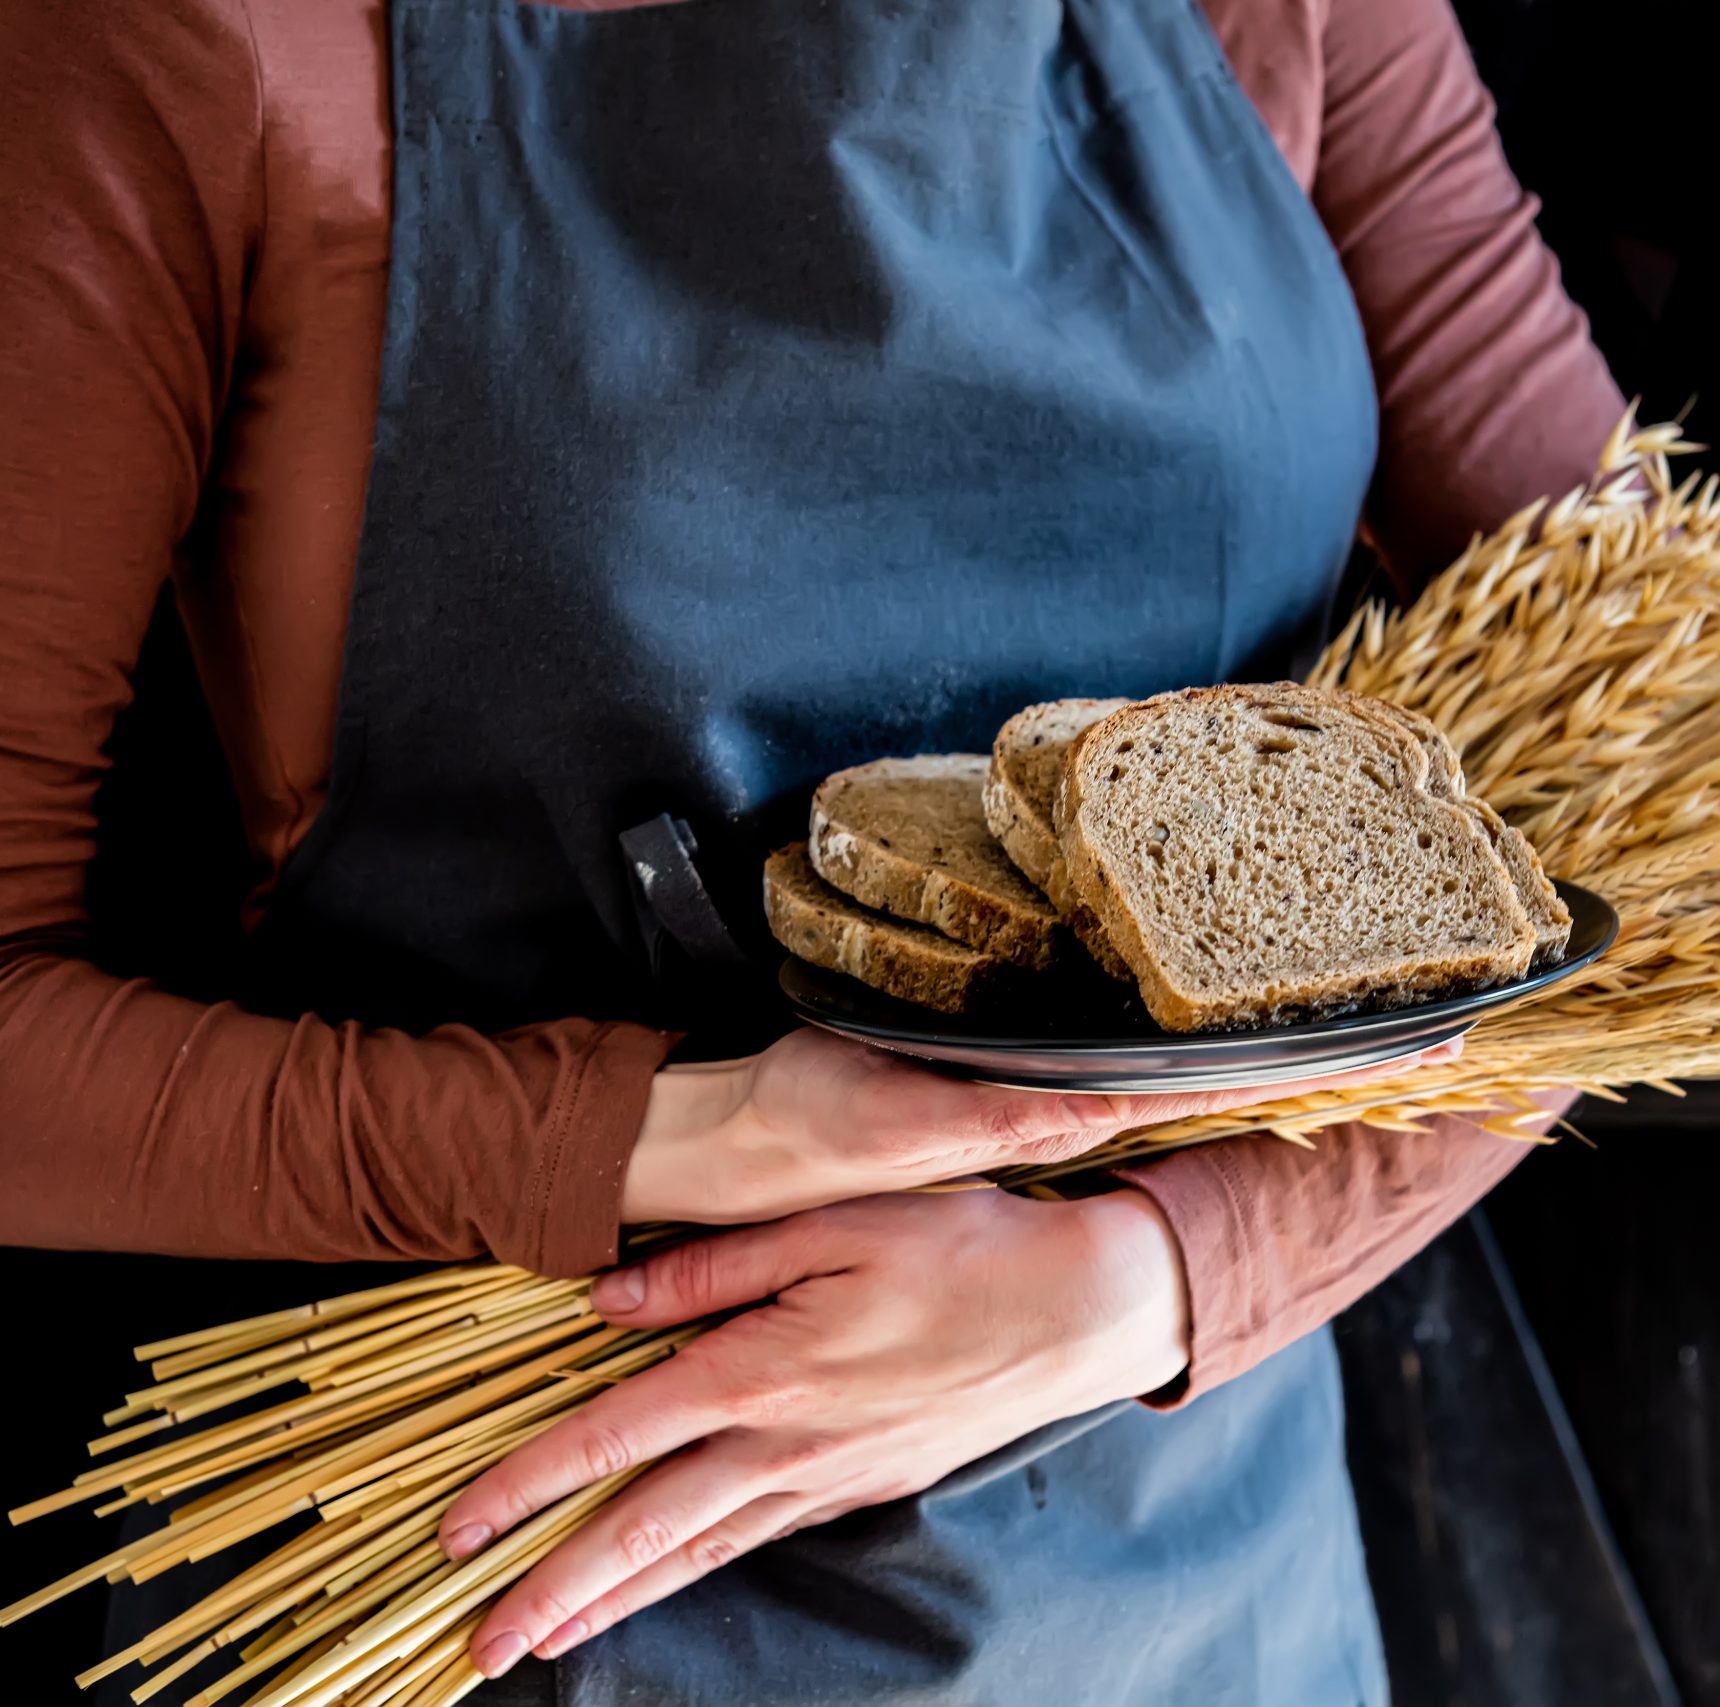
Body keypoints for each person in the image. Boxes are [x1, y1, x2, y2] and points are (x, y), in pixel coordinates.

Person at [0, 0, 1625, 1698]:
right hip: (487, 1593)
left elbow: (1680, 749)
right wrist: (679, 1136)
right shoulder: (199, 39)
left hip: (1203, 1610)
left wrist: (1157, 1276)